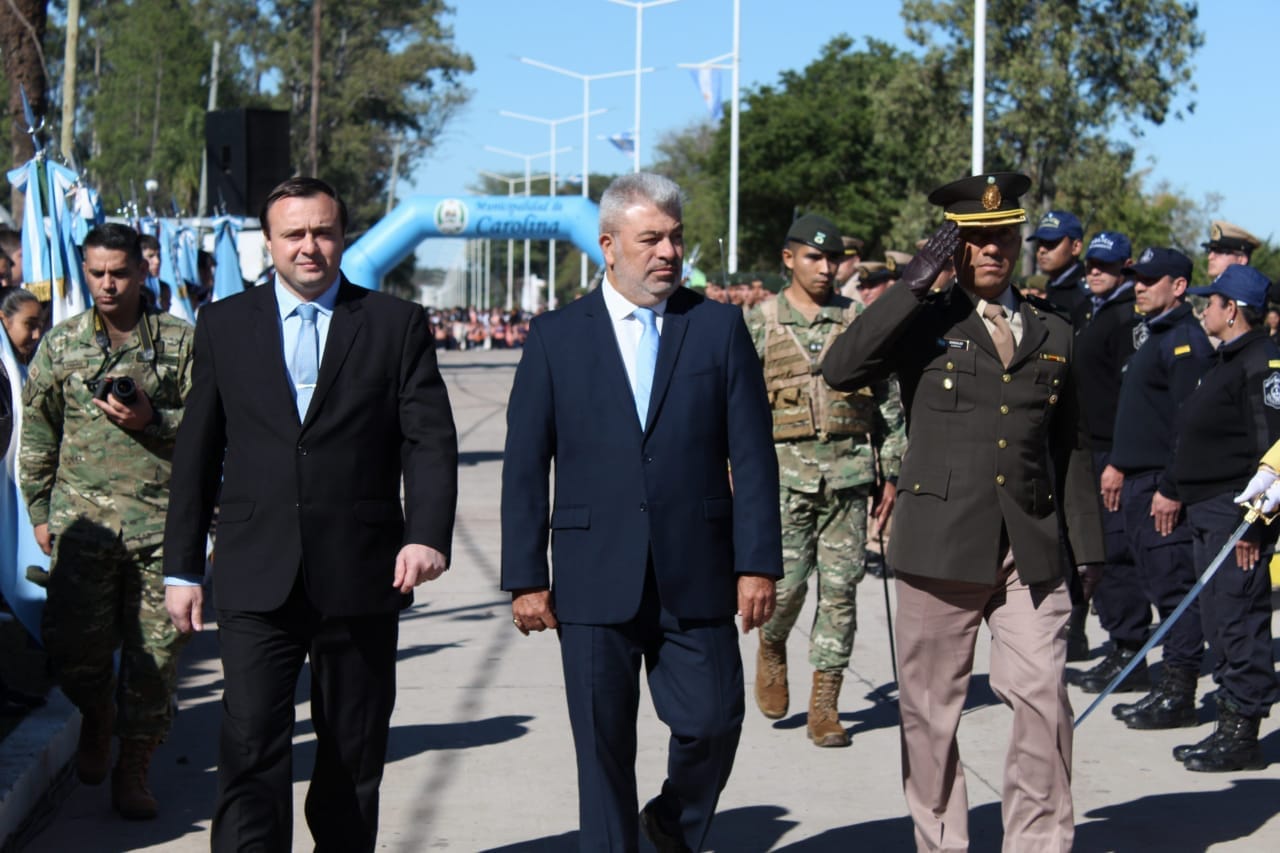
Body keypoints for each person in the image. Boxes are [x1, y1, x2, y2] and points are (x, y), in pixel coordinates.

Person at [163, 177, 459, 852]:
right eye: (293, 233)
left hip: (361, 574)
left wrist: (426, 535)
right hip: (253, 572)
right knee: (249, 747)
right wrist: (182, 566)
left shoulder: (393, 324)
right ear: (268, 242)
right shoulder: (224, 324)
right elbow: (198, 452)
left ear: (343, 236)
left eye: (322, 231)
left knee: (352, 753)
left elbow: (429, 440)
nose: (309, 246)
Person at [822, 172, 1103, 852]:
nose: (992, 250)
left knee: (1043, 699)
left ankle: (1037, 842)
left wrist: (1088, 548)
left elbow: (1070, 448)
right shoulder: (924, 322)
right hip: (939, 546)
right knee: (929, 714)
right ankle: (943, 840)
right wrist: (911, 284)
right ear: (952, 247)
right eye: (975, 239)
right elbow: (840, 368)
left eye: (1003, 236)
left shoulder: (1056, 331)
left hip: (1029, 549)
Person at [501, 172, 781, 852]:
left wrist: (757, 562)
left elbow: (753, 453)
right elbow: (524, 463)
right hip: (593, 574)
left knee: (715, 721)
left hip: (699, 568)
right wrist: (525, 575)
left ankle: (670, 821)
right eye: (650, 238)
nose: (667, 252)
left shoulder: (715, 327)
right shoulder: (556, 338)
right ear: (608, 245)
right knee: (601, 751)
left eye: (675, 237)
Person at [20, 224, 194, 820]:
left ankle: (135, 765)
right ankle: (97, 717)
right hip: (83, 525)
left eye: (118, 271)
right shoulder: (63, 343)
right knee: (75, 649)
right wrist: (39, 512)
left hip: (160, 526)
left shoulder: (179, 341)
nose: (107, 283)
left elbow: (211, 431)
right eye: (96, 272)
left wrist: (154, 420)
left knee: (156, 657)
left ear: (143, 270)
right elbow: (38, 430)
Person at [746, 215, 904, 747]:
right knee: (785, 592)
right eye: (814, 258)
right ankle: (772, 646)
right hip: (783, 481)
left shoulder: (859, 319)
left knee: (840, 593)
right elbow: (735, 404)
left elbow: (886, 398)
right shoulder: (760, 320)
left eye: (833, 258)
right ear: (788, 259)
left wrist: (893, 471)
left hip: (849, 476)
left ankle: (826, 706)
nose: (826, 267)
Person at [1168, 264, 1280, 772]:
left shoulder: (1262, 361)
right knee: (1218, 617)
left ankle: (1242, 735)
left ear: (1231, 309)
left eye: (1210, 302)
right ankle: (1227, 725)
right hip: (1209, 511)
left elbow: (1271, 449)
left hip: (1237, 515)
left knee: (1238, 620)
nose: (1204, 309)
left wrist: (1256, 524)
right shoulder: (1227, 359)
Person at [1106, 247, 1214, 730]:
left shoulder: (1185, 342)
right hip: (1136, 479)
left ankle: (1178, 692)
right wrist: (1117, 464)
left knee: (1174, 590)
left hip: (1159, 486)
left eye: (1150, 280)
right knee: (1155, 583)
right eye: (1136, 278)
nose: (1139, 286)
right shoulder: (1155, 336)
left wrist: (1171, 487)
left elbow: (1189, 427)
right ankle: (1166, 688)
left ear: (1179, 286)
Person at [1066, 231, 1154, 693]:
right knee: (1090, 549)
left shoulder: (1127, 321)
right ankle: (1117, 643)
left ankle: (1129, 652)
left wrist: (1118, 461)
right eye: (1091, 266)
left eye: (1105, 266)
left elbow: (1130, 400)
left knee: (1115, 552)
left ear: (1125, 268)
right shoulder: (1088, 310)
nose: (1095, 272)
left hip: (1112, 452)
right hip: (1085, 447)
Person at [1028, 209, 1087, 317]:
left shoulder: (1085, 295)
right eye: (1039, 243)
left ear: (1076, 247)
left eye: (1051, 242)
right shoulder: (1052, 286)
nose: (1042, 250)